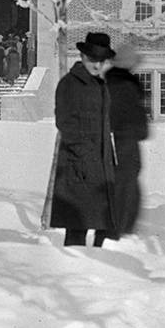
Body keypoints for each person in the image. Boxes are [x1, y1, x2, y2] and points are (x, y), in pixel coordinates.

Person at [49, 30, 120, 247]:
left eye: (102, 61)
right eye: (92, 59)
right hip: (78, 167)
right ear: (82, 56)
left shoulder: (101, 85)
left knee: (104, 227)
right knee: (77, 229)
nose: (97, 65)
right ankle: (75, 266)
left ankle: (97, 266)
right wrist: (84, 156)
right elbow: (65, 123)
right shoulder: (70, 84)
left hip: (102, 167)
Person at [106, 41, 150, 239]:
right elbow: (136, 117)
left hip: (115, 139)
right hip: (126, 141)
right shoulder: (127, 85)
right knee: (127, 186)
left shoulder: (109, 81)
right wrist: (141, 130)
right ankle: (122, 229)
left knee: (121, 184)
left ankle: (120, 226)